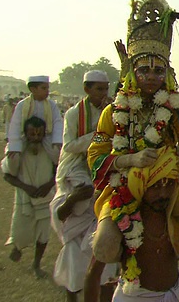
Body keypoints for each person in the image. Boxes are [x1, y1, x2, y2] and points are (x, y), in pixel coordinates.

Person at [84, 0, 179, 302]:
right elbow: (95, 157)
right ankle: (127, 271)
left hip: (173, 185)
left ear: (167, 73)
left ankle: (165, 256)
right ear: (132, 73)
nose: (151, 77)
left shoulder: (178, 111)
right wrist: (130, 159)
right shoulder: (113, 111)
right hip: (126, 184)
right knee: (104, 246)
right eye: (144, 71)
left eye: (158, 71)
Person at [49, 70, 117, 302]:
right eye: (99, 89)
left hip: (102, 172)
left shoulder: (114, 111)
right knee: (82, 200)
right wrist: (98, 133)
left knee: (100, 250)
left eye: (106, 88)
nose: (104, 93)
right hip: (77, 169)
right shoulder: (72, 114)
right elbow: (69, 147)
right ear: (87, 89)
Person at [2, 116, 57, 278]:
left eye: (39, 135)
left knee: (43, 235)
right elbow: (7, 175)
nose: (35, 138)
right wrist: (27, 187)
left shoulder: (51, 150)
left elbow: (59, 170)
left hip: (46, 198)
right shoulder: (16, 152)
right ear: (25, 133)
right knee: (20, 231)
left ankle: (36, 264)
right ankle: (18, 247)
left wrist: (48, 185)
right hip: (25, 198)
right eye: (32, 134)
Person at [7, 75, 63, 163]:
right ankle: (11, 175)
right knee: (13, 157)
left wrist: (57, 140)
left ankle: (55, 173)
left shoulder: (52, 105)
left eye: (48, 88)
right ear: (33, 89)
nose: (47, 91)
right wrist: (14, 145)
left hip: (45, 136)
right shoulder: (22, 105)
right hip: (26, 136)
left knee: (58, 154)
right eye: (44, 88)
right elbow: (15, 124)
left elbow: (57, 122)